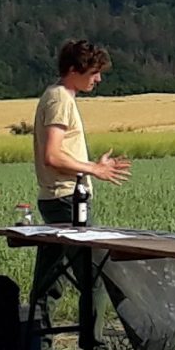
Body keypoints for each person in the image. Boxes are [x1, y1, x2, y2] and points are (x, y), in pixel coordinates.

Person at [30, 40, 131, 314]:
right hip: (67, 198)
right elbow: (52, 155)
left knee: (51, 277)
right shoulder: (60, 99)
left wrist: (89, 165)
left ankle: (40, 348)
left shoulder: (56, 96)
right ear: (74, 69)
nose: (98, 79)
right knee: (94, 276)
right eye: (93, 72)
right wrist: (94, 169)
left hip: (58, 196)